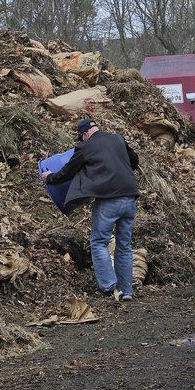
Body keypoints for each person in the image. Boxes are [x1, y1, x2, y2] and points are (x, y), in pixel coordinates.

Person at [41, 119, 140, 301]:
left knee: (99, 242)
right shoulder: (117, 138)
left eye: (81, 138)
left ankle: (109, 287)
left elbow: (68, 171)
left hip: (109, 200)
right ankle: (126, 290)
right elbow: (134, 160)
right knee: (124, 245)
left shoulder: (85, 146)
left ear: (85, 134)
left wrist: (49, 178)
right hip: (130, 198)